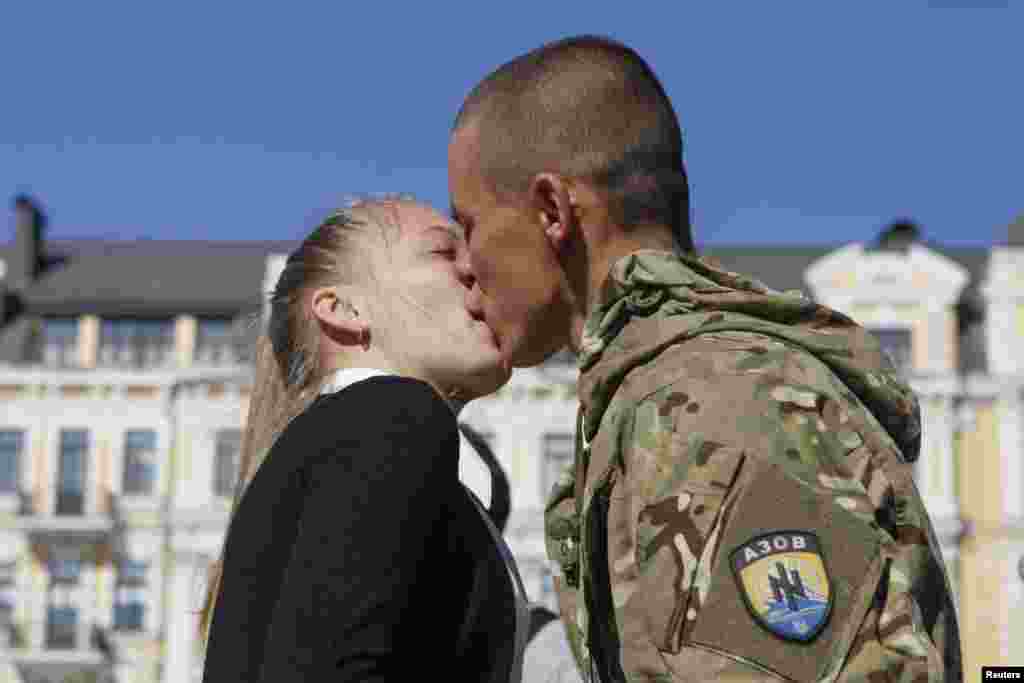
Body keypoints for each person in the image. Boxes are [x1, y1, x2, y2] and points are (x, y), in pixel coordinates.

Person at [448, 35, 962, 682]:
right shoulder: (669, 388)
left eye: (467, 224)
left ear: (552, 210)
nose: (465, 265)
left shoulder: (706, 401)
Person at [197, 198, 531, 682]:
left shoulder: (338, 436)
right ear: (343, 309)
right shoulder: (394, 415)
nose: (478, 271)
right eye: (443, 253)